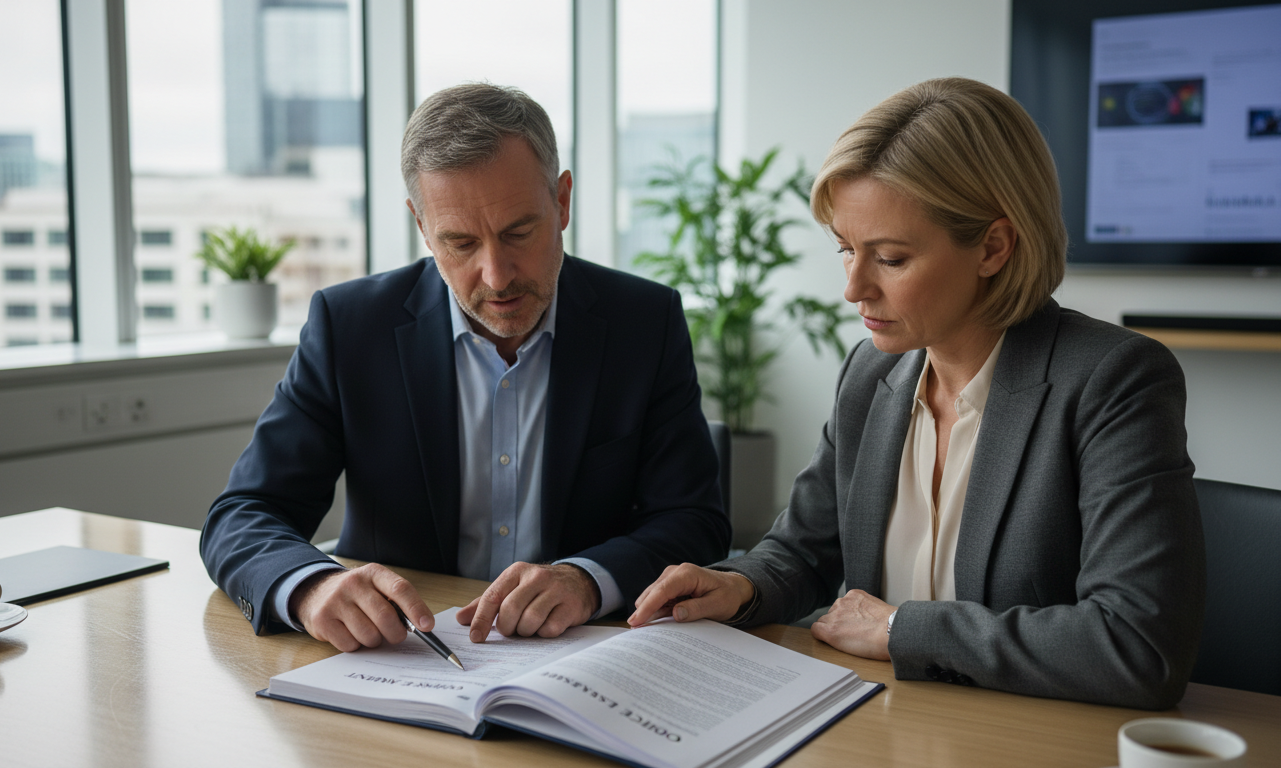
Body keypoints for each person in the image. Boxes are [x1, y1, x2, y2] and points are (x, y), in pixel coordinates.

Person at [629, 77, 1205, 710]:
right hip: (882, 727)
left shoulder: (1113, 379)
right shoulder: (871, 375)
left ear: (993, 246)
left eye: (892, 259)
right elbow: (804, 551)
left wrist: (901, 628)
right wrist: (738, 585)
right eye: (846, 249)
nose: (853, 289)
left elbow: (1138, 646)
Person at [202, 83, 729, 653]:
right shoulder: (350, 327)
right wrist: (309, 586)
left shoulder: (643, 322)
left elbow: (693, 520)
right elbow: (243, 512)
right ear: (422, 227)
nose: (497, 275)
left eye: (518, 233)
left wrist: (585, 578)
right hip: (407, 656)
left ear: (563, 201)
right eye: (459, 242)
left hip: (585, 654)